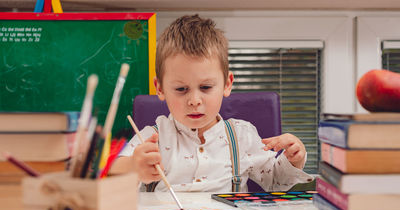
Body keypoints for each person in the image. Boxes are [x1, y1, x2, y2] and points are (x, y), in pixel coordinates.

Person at [111, 14, 313, 192]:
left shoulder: (241, 136)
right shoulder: (152, 137)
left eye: (206, 87)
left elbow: (276, 182)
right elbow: (111, 171)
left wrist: (293, 159)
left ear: (227, 84)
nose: (194, 101)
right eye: (181, 89)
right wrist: (133, 168)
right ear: (160, 89)